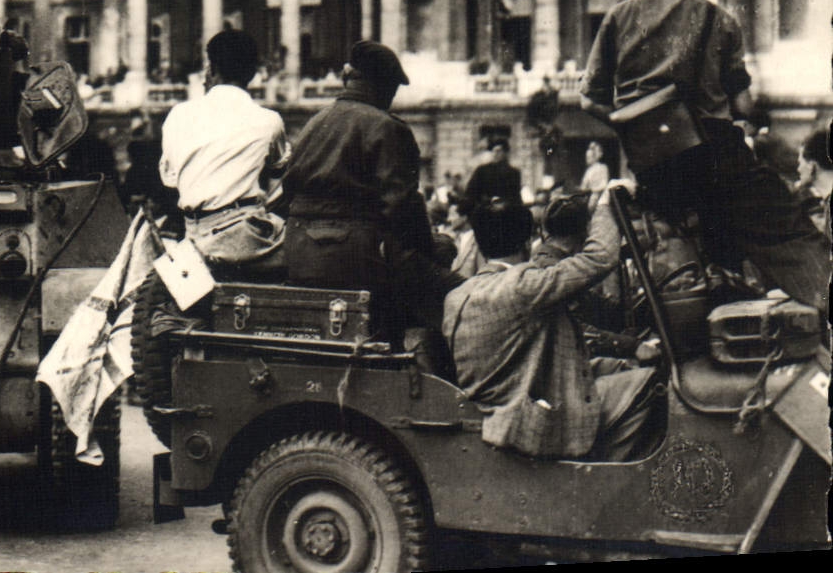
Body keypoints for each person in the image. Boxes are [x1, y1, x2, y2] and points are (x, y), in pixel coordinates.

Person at [581, 0, 828, 315]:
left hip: (656, 170)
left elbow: (589, 101)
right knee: (787, 229)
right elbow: (743, 106)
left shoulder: (616, 18)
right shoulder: (719, 19)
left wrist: (634, 123)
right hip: (717, 157)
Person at [444, 185, 661, 461]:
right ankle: (602, 470)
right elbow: (600, 258)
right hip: (531, 420)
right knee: (649, 381)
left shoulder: (456, 296)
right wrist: (606, 203)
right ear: (528, 243)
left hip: (501, 410)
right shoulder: (524, 286)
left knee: (618, 370)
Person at [274, 41, 441, 339]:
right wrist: (431, 252)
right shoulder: (387, 128)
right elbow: (401, 206)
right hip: (355, 259)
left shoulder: (315, 122)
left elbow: (285, 192)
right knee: (439, 301)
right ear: (382, 85)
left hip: (298, 255)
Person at [157, 29, 289, 274]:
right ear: (252, 74)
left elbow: (171, 180)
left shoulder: (179, 114)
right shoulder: (269, 121)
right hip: (244, 238)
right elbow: (281, 175)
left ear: (211, 69)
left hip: (193, 239)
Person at [461, 135, 521, 216]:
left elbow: (515, 195)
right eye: (493, 151)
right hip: (485, 209)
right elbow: (471, 191)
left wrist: (504, 204)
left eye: (499, 151)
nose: (495, 154)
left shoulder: (513, 172)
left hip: (506, 210)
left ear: (505, 153)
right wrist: (487, 202)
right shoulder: (482, 170)